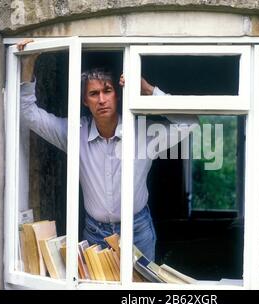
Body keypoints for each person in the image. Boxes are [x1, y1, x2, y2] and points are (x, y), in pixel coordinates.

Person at [17, 39, 197, 261]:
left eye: (107, 91)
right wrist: (29, 59)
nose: (101, 99)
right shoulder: (74, 133)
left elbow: (190, 122)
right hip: (95, 236)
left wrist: (146, 89)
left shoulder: (145, 133)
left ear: (117, 94)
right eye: (93, 94)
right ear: (84, 100)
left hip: (138, 232)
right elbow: (27, 114)